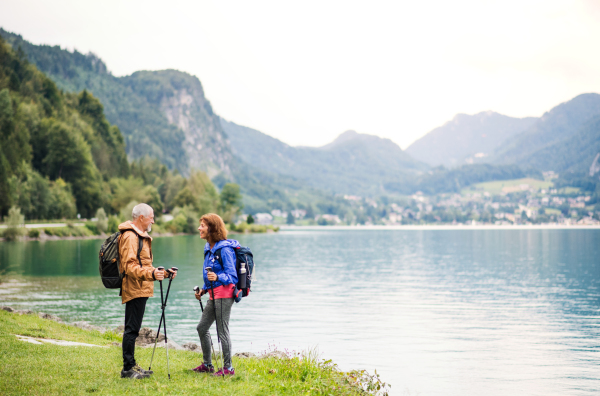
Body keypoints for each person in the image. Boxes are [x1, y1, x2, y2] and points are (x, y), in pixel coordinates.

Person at [118, 203, 176, 379]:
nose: (153, 220)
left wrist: (164, 274)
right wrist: (151, 273)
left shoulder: (140, 236)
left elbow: (144, 266)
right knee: (132, 330)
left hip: (141, 287)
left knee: (133, 328)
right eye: (151, 216)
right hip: (134, 288)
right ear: (141, 217)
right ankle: (128, 369)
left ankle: (132, 365)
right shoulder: (130, 236)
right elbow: (129, 267)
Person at [193, 213, 239, 376]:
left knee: (222, 331)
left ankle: (228, 368)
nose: (199, 228)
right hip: (213, 294)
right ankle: (207, 364)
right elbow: (210, 275)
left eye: (203, 226)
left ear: (212, 229)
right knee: (202, 328)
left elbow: (232, 276)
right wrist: (204, 290)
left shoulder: (224, 249)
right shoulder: (209, 248)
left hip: (225, 295)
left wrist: (218, 277)